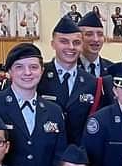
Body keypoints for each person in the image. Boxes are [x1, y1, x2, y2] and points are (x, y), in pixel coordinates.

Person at [38, 15, 99, 146]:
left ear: (82, 45)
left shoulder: (91, 82)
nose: (71, 47)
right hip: (44, 152)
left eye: (76, 42)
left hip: (77, 156)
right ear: (53, 44)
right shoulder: (39, 76)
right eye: (64, 41)